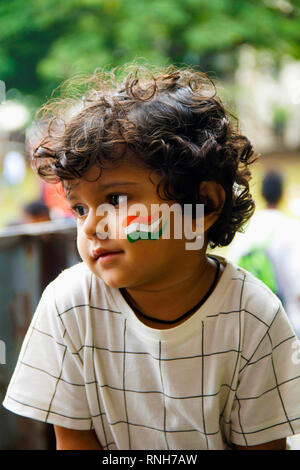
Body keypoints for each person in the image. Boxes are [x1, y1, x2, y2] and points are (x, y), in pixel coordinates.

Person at [3, 66, 300, 450]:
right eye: (78, 208)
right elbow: (73, 441)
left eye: (116, 200)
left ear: (202, 204)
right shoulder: (69, 305)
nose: (91, 226)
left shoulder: (254, 317)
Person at [227, 170, 300, 338]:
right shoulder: (290, 228)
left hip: (251, 323)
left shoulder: (244, 229)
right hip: (288, 325)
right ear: (282, 194)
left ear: (260, 193)